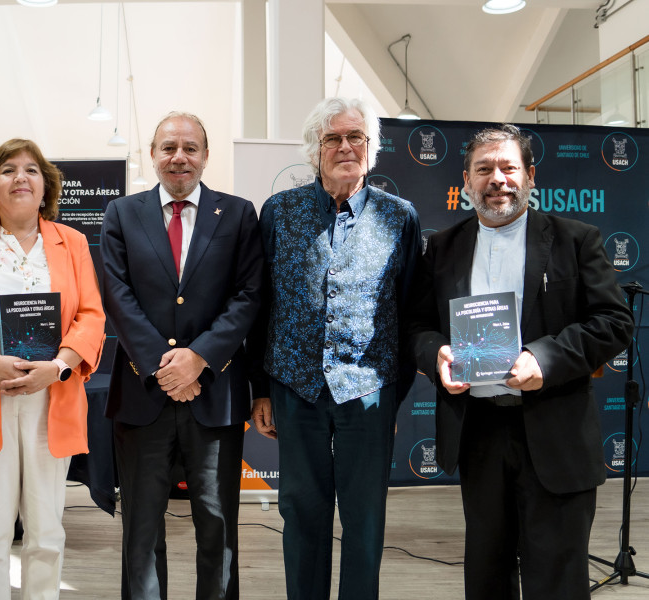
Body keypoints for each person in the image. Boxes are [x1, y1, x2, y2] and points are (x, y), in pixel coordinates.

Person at [407, 124, 634, 599]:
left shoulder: (576, 240)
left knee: (556, 581)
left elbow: (614, 322)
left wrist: (543, 358)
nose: (497, 179)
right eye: (484, 169)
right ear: (466, 183)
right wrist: (437, 354)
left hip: (555, 433)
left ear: (530, 176)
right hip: (479, 433)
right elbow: (416, 327)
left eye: (509, 167)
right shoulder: (442, 248)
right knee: (487, 579)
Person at [249, 96, 422, 600]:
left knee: (365, 516)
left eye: (356, 138)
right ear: (315, 150)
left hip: (369, 390)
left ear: (371, 148)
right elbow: (261, 304)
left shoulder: (399, 216)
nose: (345, 147)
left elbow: (411, 309)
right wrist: (261, 389)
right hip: (294, 388)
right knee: (302, 510)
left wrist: (394, 394)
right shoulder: (280, 210)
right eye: (333, 139)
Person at [0, 139, 105, 600]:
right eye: (8, 170)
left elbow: (91, 315)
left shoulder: (74, 243)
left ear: (46, 186)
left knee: (47, 529)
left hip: (52, 396)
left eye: (31, 170)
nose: (20, 178)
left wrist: (60, 366)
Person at [100, 112, 263, 600]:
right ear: (152, 155)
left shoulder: (237, 214)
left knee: (217, 528)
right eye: (168, 147)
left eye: (190, 148)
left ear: (206, 156)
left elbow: (249, 295)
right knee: (142, 531)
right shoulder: (122, 214)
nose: (179, 157)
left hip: (214, 396)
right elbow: (116, 295)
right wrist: (164, 366)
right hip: (142, 396)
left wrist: (199, 359)